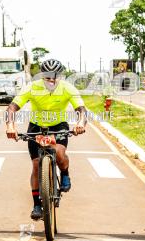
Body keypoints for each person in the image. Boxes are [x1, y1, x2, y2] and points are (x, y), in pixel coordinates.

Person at [6, 59, 87, 221]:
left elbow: (81, 109)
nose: (52, 81)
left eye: (55, 77)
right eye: (48, 78)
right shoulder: (32, 88)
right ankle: (37, 204)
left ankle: (65, 173)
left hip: (58, 127)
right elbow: (12, 107)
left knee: (59, 152)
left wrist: (80, 123)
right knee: (36, 166)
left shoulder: (68, 88)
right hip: (36, 128)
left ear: (60, 76)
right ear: (42, 76)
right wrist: (10, 126)